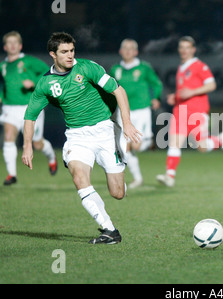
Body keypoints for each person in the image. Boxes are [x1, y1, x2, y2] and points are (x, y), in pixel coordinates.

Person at [21, 32, 141, 244]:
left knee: (118, 193)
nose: (70, 55)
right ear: (52, 54)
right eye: (64, 52)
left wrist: (127, 122)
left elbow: (118, 91)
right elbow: (30, 116)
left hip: (105, 131)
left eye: (72, 50)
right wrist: (27, 146)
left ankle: (119, 158)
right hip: (77, 136)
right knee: (79, 177)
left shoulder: (87, 68)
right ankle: (110, 231)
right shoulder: (45, 84)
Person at [156, 36, 223, 187]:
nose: (184, 50)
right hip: (180, 111)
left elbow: (211, 85)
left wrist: (191, 92)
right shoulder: (181, 67)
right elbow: (184, 91)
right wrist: (176, 96)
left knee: (202, 147)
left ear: (193, 49)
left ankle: (220, 140)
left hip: (197, 112)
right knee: (174, 143)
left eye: (187, 47)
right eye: (181, 47)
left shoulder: (199, 66)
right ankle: (169, 176)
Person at [0, 31, 57, 185]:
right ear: (5, 47)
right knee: (9, 137)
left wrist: (33, 81)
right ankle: (12, 174)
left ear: (20, 46)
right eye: (9, 43)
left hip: (31, 108)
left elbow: (49, 72)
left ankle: (52, 158)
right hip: (10, 108)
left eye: (15, 42)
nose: (12, 45)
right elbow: (3, 84)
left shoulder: (29, 61)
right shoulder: (3, 65)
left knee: (37, 144)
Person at [110, 39, 163, 188]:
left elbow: (157, 83)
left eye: (131, 48)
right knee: (125, 147)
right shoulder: (115, 69)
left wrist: (156, 97)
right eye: (125, 48)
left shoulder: (144, 68)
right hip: (123, 111)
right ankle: (138, 178)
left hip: (141, 109)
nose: (128, 51)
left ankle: (149, 141)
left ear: (136, 52)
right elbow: (110, 89)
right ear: (120, 51)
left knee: (137, 146)